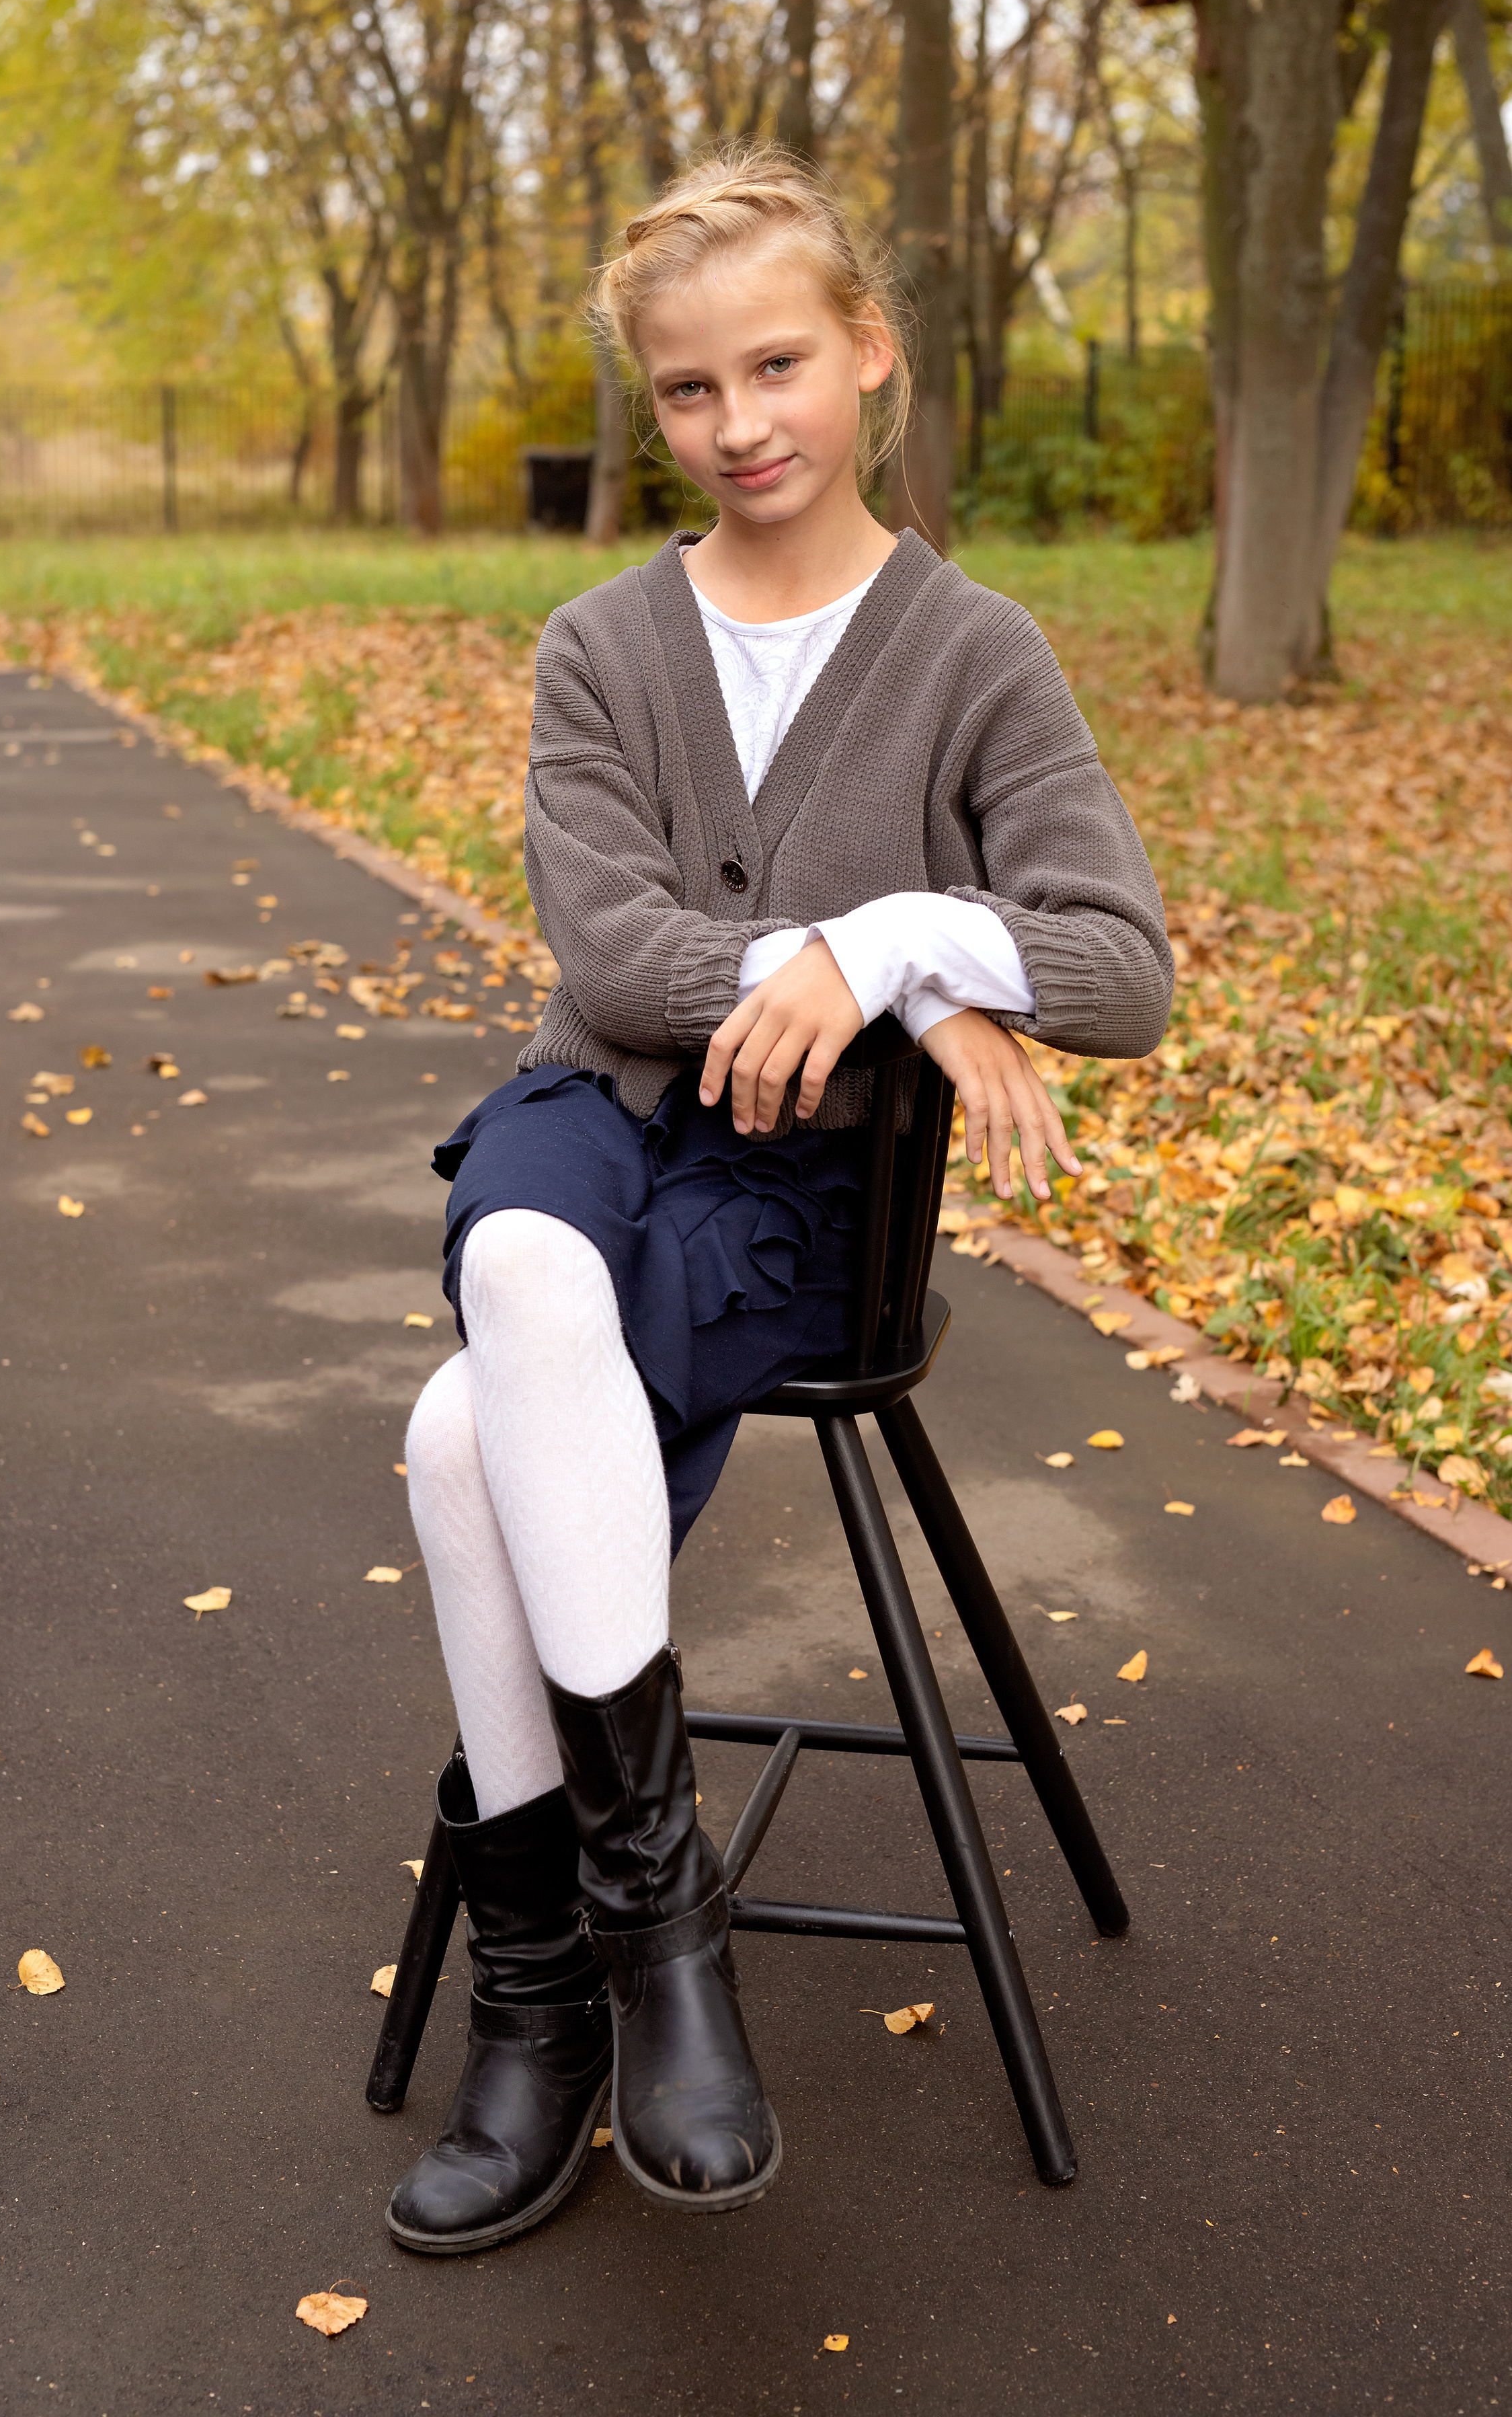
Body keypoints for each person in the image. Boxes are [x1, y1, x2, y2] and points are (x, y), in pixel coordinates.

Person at [386, 143, 1171, 2256]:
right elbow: (613, 958)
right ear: (653, 408)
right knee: (528, 1248)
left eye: (781, 366)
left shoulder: (972, 650)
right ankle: (669, 1949)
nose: (743, 426)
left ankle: (541, 1996)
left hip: (791, 1194)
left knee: (462, 1431)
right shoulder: (601, 645)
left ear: (874, 357)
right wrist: (871, 966)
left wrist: (904, 930)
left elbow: (1124, 969)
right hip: (592, 1108)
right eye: (690, 391)